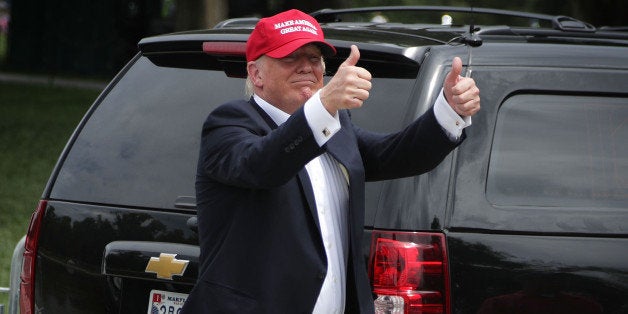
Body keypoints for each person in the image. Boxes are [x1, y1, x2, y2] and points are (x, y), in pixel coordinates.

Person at [181, 8, 480, 314]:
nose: (306, 67)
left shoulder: (335, 127)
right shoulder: (229, 124)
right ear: (256, 74)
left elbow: (395, 155)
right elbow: (262, 165)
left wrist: (449, 110)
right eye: (290, 58)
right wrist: (323, 106)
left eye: (314, 58)